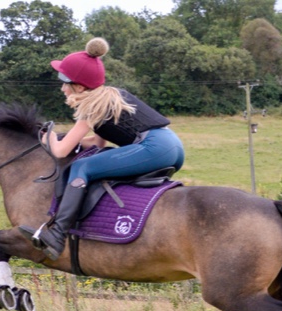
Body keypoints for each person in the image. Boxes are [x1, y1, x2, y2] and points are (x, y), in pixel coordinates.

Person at [19, 37, 185, 261]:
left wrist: (49, 137)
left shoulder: (92, 105)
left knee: (81, 167)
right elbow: (97, 144)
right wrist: (62, 138)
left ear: (78, 86)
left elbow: (59, 152)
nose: (62, 88)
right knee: (94, 160)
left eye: (64, 82)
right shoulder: (108, 96)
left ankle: (57, 235)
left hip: (154, 148)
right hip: (170, 144)